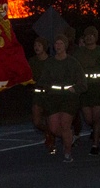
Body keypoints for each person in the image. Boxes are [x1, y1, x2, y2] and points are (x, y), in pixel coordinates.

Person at [37, 34, 87, 162]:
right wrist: (45, 90)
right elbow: (43, 80)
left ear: (65, 46)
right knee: (54, 127)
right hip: (53, 98)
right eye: (56, 44)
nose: (58, 46)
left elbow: (82, 82)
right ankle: (69, 137)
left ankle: (68, 152)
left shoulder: (73, 62)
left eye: (61, 44)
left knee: (65, 124)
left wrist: (74, 89)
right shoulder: (50, 63)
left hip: (68, 98)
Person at [73, 26, 100, 155]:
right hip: (84, 89)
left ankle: (95, 144)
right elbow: (72, 68)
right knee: (88, 119)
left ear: (96, 37)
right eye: (87, 35)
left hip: (98, 88)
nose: (89, 37)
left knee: (95, 117)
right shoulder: (78, 53)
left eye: (92, 35)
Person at [28, 37, 56, 154]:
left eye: (39, 45)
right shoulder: (32, 62)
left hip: (50, 95)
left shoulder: (51, 61)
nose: (37, 47)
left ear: (44, 47)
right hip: (37, 95)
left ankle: (51, 142)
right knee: (37, 122)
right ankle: (48, 132)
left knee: (50, 120)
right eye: (35, 45)